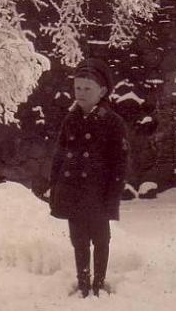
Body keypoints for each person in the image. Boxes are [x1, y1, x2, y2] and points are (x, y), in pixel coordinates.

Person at [49, 58, 128, 298]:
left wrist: (112, 198)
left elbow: (119, 164)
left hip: (98, 194)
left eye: (87, 89)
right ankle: (83, 283)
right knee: (79, 240)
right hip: (72, 192)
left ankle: (99, 283)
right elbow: (59, 157)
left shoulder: (112, 122)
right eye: (77, 88)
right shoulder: (70, 119)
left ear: (102, 92)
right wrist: (54, 189)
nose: (80, 93)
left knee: (101, 240)